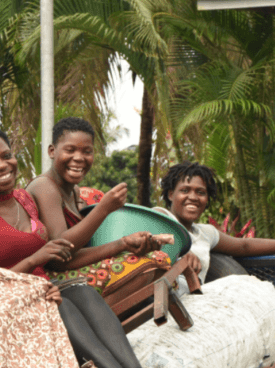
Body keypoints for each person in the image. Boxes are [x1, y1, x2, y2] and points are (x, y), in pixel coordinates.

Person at [0, 126, 180, 368]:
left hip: (44, 289)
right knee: (58, 305)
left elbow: (59, 260)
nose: (2, 166)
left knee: (83, 291)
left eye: (6, 156)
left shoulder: (25, 200)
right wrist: (34, 260)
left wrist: (120, 245)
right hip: (5, 305)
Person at [26, 117, 171, 294]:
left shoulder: (74, 191)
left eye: (87, 151)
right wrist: (103, 209)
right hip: (48, 279)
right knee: (153, 262)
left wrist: (124, 243)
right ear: (52, 151)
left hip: (67, 267)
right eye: (70, 150)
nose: (79, 158)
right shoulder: (45, 187)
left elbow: (74, 254)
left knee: (152, 260)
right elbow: (59, 256)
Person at [154, 162, 275, 294]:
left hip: (194, 303)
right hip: (158, 299)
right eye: (185, 190)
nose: (193, 197)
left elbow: (244, 246)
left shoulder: (206, 233)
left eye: (200, 192)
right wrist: (179, 251)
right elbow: (151, 237)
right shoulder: (160, 217)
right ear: (171, 194)